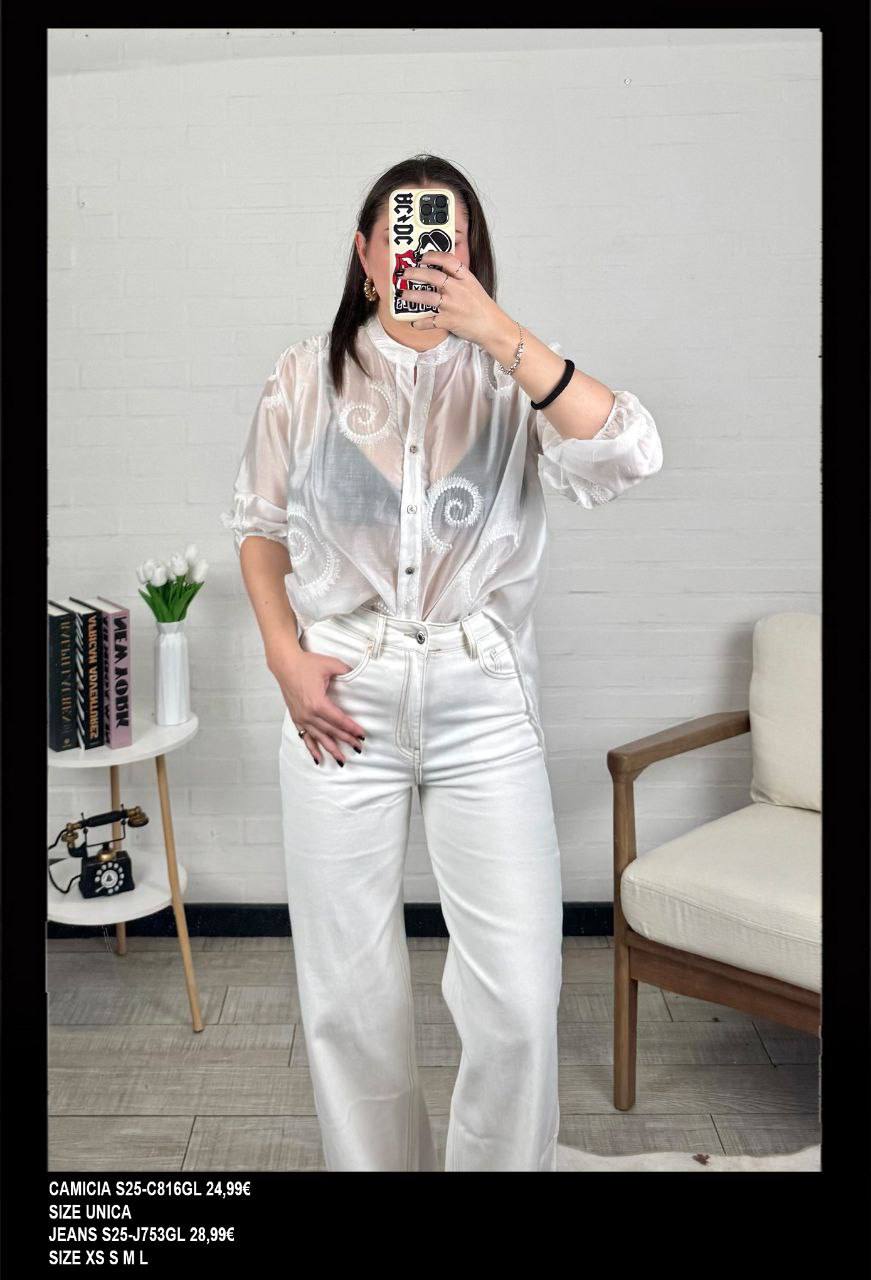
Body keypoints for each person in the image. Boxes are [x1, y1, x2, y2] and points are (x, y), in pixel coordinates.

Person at [221, 154, 664, 1172]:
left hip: (482, 700)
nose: (425, 251)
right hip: (339, 694)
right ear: (365, 254)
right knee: (346, 998)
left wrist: (498, 332)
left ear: (471, 254)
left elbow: (628, 452)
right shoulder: (304, 375)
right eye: (405, 233)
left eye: (448, 236)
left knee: (518, 995)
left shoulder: (513, 375)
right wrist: (284, 657)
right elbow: (258, 526)